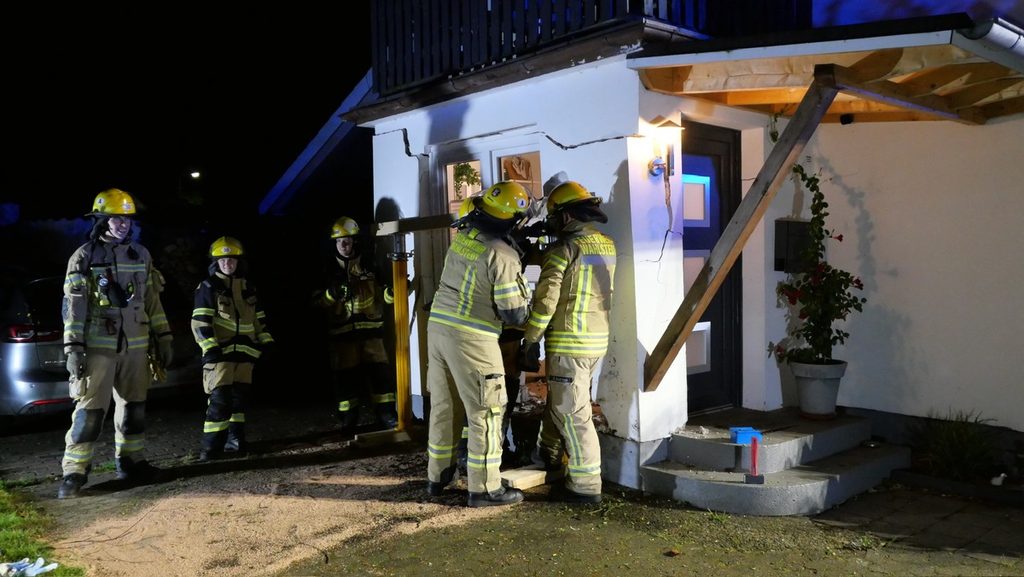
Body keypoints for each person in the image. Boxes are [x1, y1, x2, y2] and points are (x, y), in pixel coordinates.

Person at [57, 188, 174, 499]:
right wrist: (73, 349)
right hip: (98, 348)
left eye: (127, 219)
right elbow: (74, 307)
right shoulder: (83, 257)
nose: (123, 224)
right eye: (116, 218)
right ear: (102, 220)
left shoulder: (141, 255)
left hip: (135, 348)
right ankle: (74, 472)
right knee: (90, 413)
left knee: (134, 409)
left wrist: (164, 336)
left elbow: (152, 301)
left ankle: (132, 462)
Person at [426, 181, 532, 507]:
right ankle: (485, 489)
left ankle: (438, 476)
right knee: (486, 412)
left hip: (439, 330)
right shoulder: (503, 255)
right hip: (472, 338)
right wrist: (530, 296)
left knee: (446, 408)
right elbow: (513, 313)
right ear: (513, 220)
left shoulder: (465, 239)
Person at [520, 180, 616, 504]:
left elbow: (546, 301)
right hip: (594, 341)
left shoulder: (563, 251)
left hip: (569, 344)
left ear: (563, 217)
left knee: (572, 412)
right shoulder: (605, 244)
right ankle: (546, 454)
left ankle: (586, 485)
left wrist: (530, 340)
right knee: (561, 401)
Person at [191, 236, 274, 461]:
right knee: (220, 403)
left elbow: (258, 320)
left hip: (245, 355)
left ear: (239, 261)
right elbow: (200, 322)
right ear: (215, 262)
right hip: (220, 356)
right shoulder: (208, 287)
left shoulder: (248, 287)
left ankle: (236, 442)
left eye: (232, 259)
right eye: (222, 259)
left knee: (238, 402)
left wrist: (266, 342)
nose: (228, 263)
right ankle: (210, 450)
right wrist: (209, 348)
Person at [313, 216, 398, 433]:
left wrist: (392, 292)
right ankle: (348, 422)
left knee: (381, 378)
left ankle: (387, 416)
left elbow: (384, 297)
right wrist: (331, 295)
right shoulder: (326, 269)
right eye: (340, 241)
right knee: (346, 382)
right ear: (334, 243)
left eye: (348, 241)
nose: (344, 245)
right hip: (343, 336)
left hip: (372, 333)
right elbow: (315, 302)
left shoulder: (369, 264)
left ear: (355, 242)